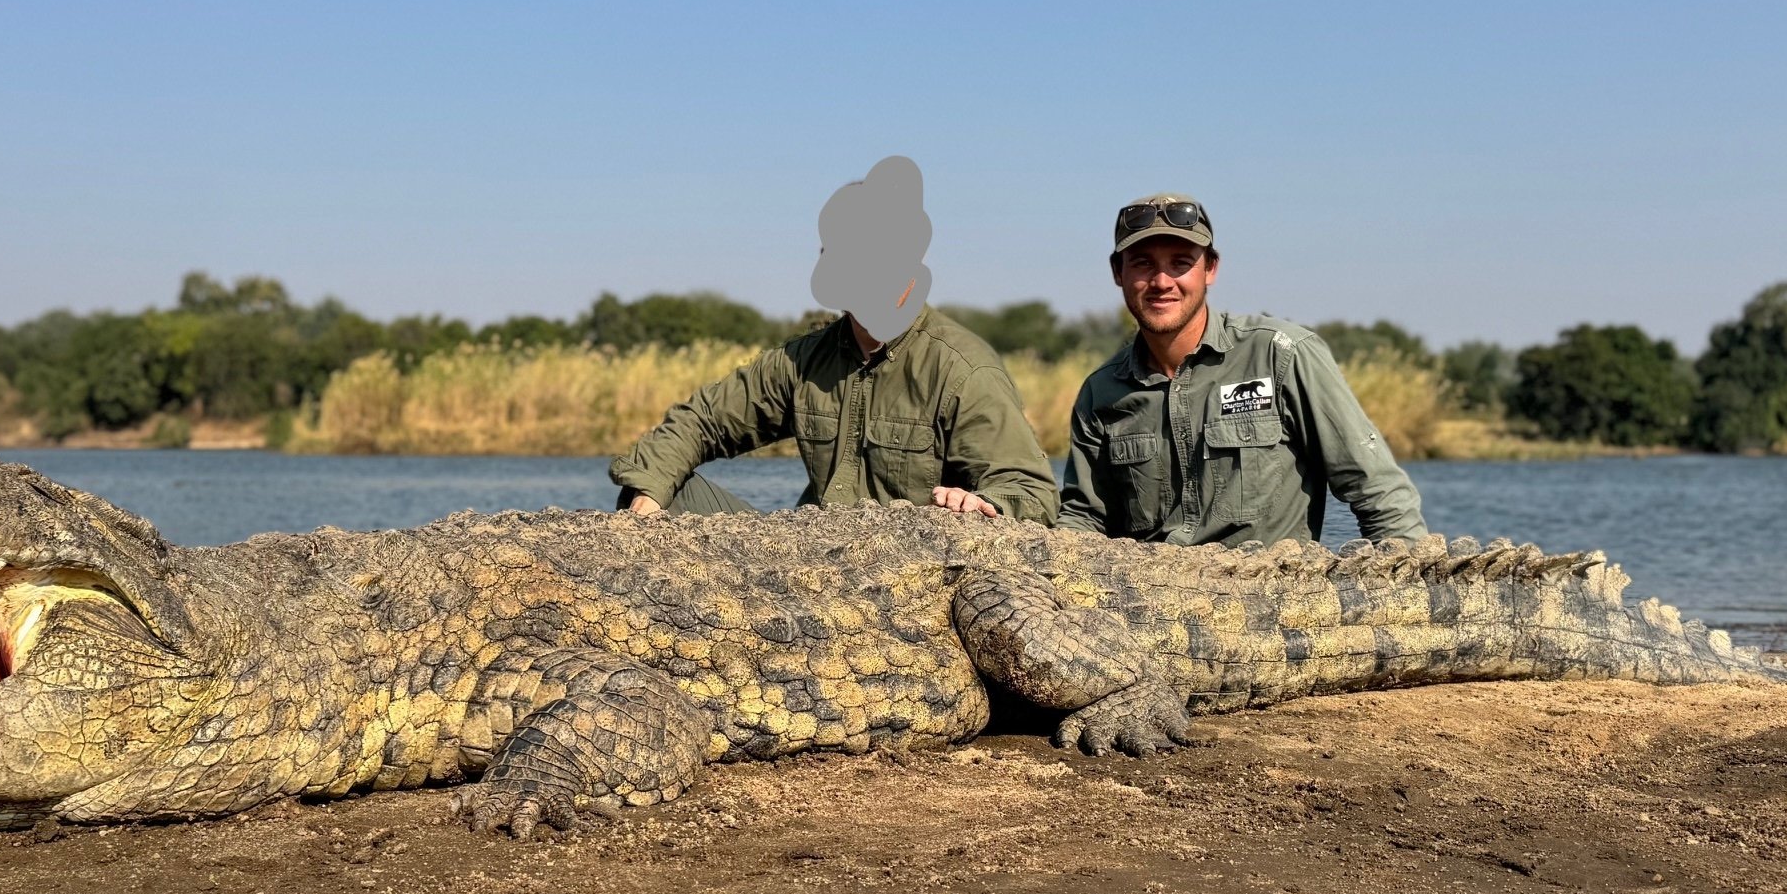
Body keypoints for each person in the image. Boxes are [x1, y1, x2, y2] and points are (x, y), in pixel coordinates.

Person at [610, 158, 1059, 523]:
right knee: (653, 482)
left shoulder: (963, 370)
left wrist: (986, 503)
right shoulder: (803, 359)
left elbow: (1031, 491)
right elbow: (701, 422)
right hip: (809, 560)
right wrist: (650, 492)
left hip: (908, 577)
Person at [1059, 194, 1424, 548]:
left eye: (1181, 263)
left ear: (1211, 269)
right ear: (1117, 272)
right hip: (1153, 599)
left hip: (1273, 595)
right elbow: (1085, 518)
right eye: (1142, 263)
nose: (1161, 281)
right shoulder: (1101, 391)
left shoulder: (1281, 354)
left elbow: (1375, 488)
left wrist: (1412, 580)